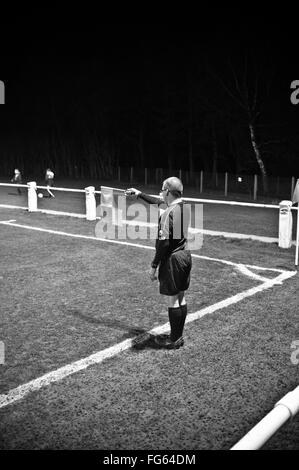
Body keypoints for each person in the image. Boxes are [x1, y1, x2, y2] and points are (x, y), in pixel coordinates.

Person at [125, 177, 192, 349]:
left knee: (172, 300)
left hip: (173, 260)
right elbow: (158, 201)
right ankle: (178, 336)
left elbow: (163, 244)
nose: (160, 192)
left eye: (162, 189)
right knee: (181, 296)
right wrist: (139, 194)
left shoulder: (167, 213)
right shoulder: (184, 206)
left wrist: (154, 265)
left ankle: (173, 340)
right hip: (184, 255)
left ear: (168, 192)